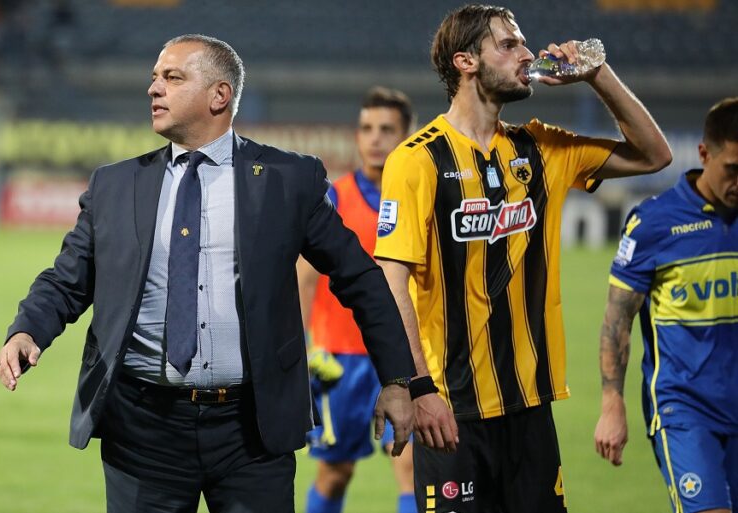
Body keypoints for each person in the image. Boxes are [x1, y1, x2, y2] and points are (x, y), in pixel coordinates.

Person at [0, 34, 416, 513]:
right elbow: (67, 278)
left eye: (172, 77)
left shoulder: (287, 179)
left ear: (220, 95)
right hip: (142, 428)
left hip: (252, 430)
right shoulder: (115, 185)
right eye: (155, 77)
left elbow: (361, 279)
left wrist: (397, 379)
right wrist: (28, 329)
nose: (154, 88)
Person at [373, 4, 672, 513]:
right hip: (451, 409)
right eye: (509, 44)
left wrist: (597, 75)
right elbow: (392, 280)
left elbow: (653, 155)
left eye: (524, 43)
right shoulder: (417, 160)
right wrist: (419, 388)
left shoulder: (540, 148)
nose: (528, 54)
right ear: (466, 61)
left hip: (531, 408)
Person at [594, 98, 738, 513]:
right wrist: (612, 404)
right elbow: (617, 320)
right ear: (704, 154)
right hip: (684, 409)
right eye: (733, 169)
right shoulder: (655, 223)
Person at [298, 87, 417, 513]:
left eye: (386, 129)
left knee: (413, 468)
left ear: (407, 135)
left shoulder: (419, 196)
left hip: (405, 358)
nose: (375, 138)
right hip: (340, 360)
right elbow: (304, 278)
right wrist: (303, 350)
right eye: (367, 128)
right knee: (335, 474)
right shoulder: (333, 198)